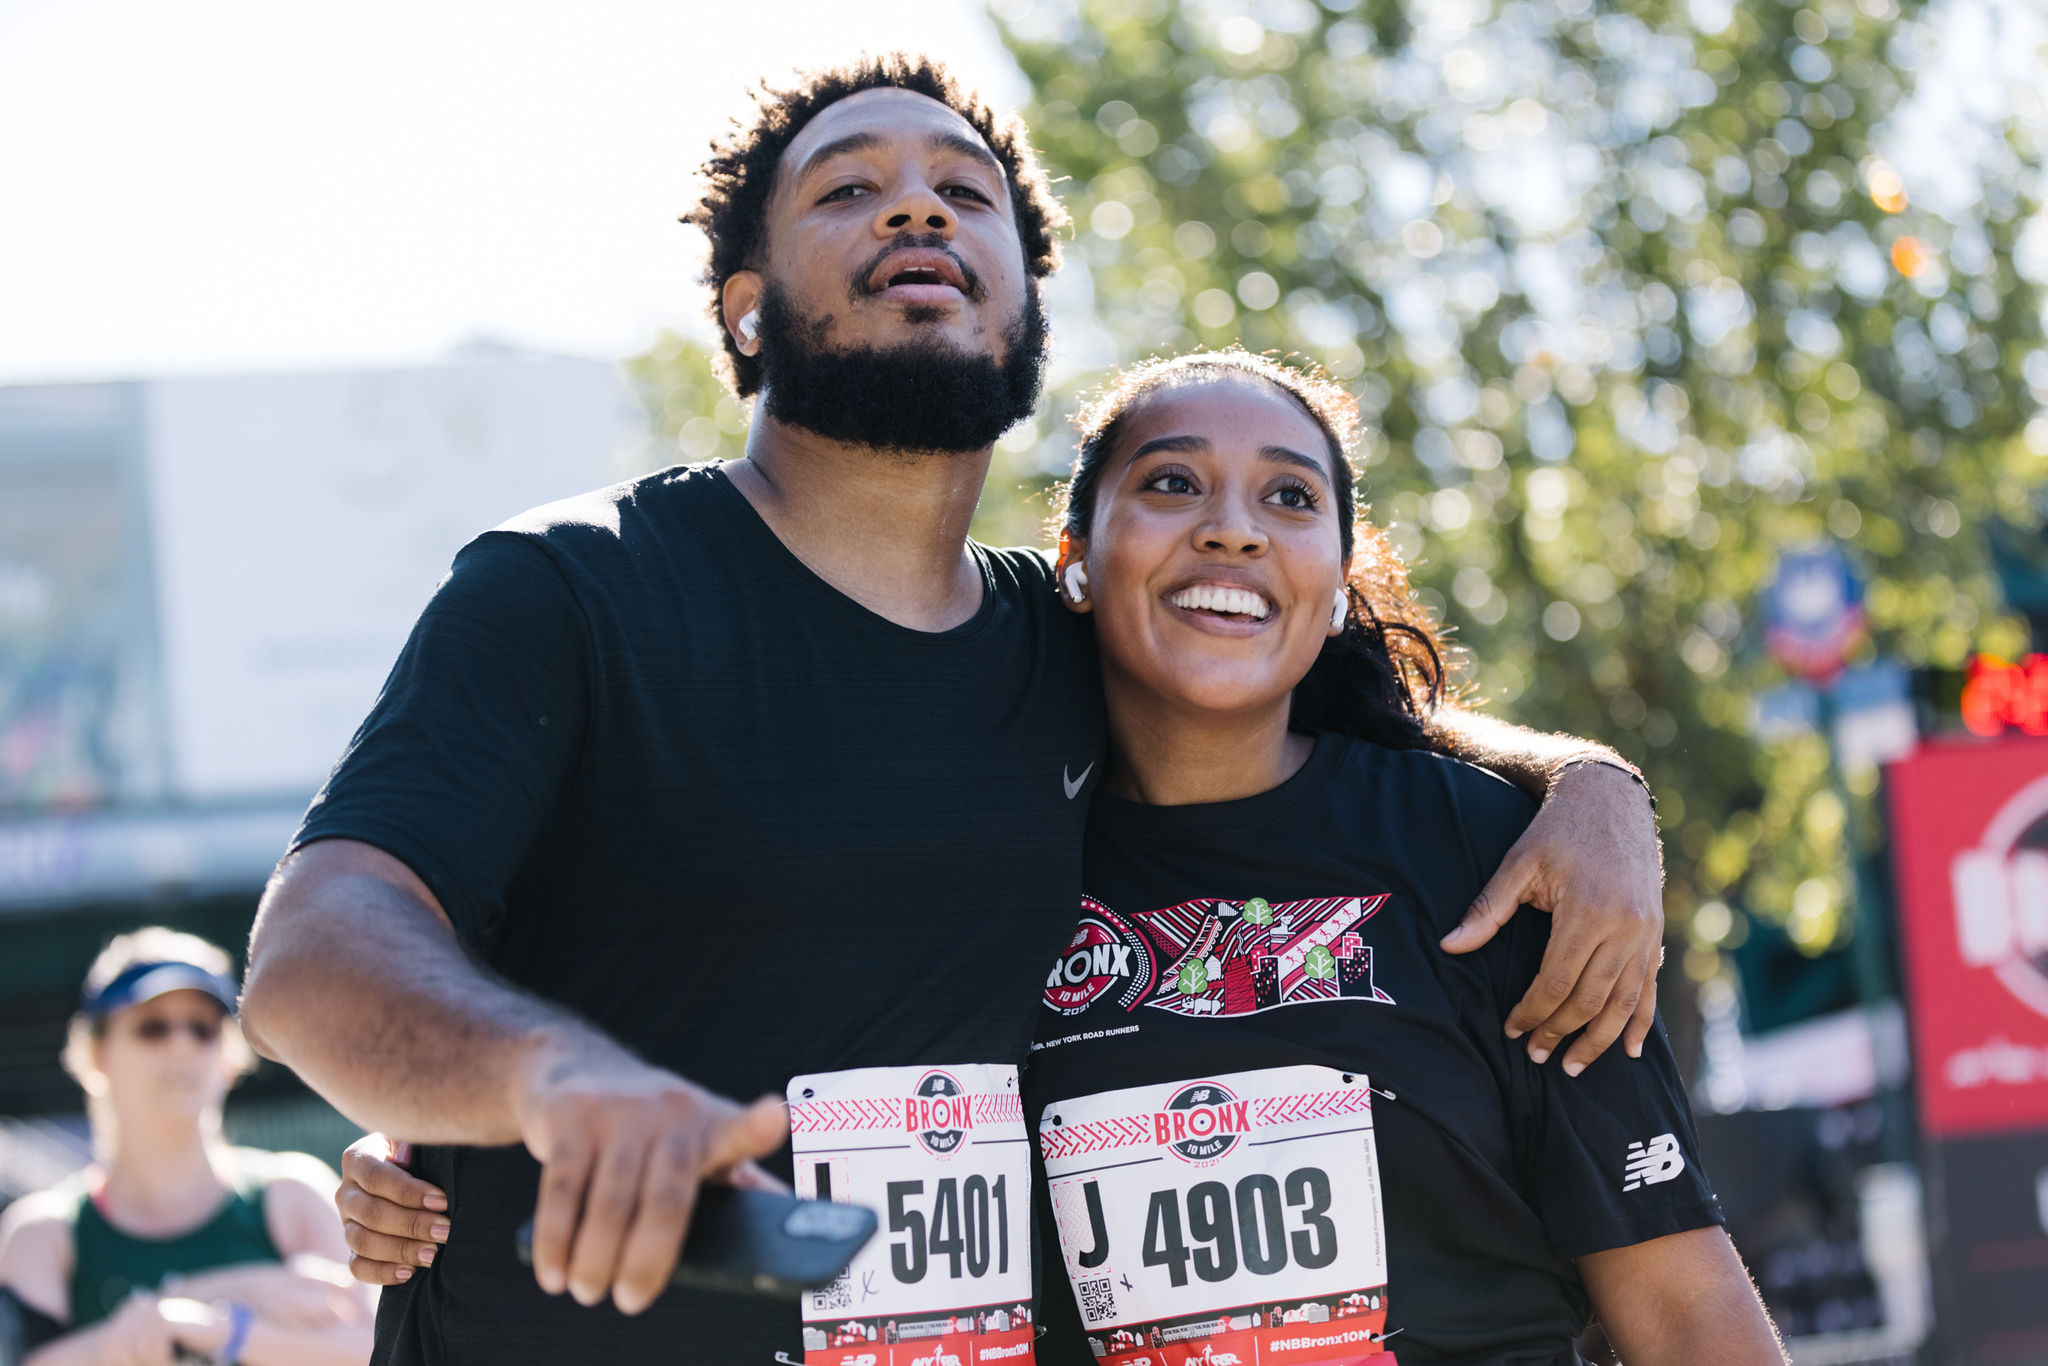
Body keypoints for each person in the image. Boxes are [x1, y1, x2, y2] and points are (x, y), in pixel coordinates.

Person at [239, 56, 1666, 1364]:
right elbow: (313, 953)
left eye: (963, 193)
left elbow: (1324, 706)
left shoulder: (1072, 644)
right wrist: (538, 1081)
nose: (916, 207)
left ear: (1026, 305)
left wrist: (1590, 784)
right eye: (848, 187)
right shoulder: (574, 588)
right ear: (745, 307)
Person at [1019, 352, 1781, 1364]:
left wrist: (1598, 779)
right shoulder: (991, 864)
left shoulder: (1492, 850)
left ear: (1338, 584)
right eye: (1171, 481)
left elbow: (1683, 1312)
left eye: (1290, 496)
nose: (1233, 529)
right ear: (1074, 556)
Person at [0, 929, 373, 1366]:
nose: (181, 1045)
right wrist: (231, 1294)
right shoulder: (47, 1233)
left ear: (230, 1056)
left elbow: (375, 1350)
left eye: (202, 1029)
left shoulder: (294, 1196)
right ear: (96, 1053)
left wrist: (223, 1328)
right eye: (152, 1028)